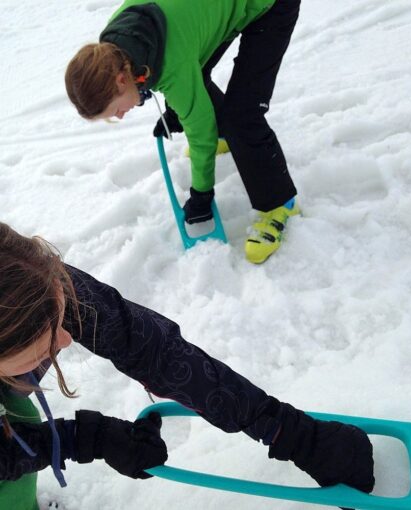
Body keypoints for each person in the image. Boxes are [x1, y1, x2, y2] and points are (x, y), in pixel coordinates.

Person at [0, 222, 375, 510]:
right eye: (47, 340)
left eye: (63, 321)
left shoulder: (26, 276)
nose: (65, 342)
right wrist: (84, 438)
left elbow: (151, 349)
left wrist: (290, 432)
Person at [65, 0, 301, 264]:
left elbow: (199, 131)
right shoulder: (117, 46)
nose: (120, 115)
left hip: (269, 4)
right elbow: (180, 47)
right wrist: (177, 108)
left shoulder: (168, 64)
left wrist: (202, 193)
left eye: (115, 111)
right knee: (198, 78)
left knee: (242, 114)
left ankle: (278, 203)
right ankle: (227, 135)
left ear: (122, 80)